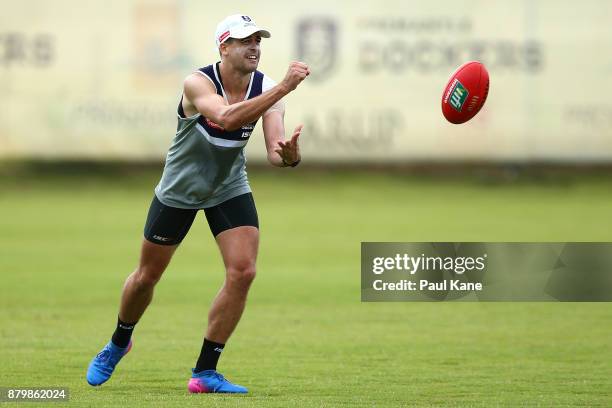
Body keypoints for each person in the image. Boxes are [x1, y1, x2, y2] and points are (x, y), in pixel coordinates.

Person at [86, 14, 310, 394]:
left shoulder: (267, 88)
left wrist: (289, 155)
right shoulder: (198, 82)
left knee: (243, 272)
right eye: (245, 41)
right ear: (224, 48)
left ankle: (205, 372)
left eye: (258, 40)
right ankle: (119, 341)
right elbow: (224, 118)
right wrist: (286, 87)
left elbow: (276, 153)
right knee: (146, 278)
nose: (254, 46)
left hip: (228, 186)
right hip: (180, 190)